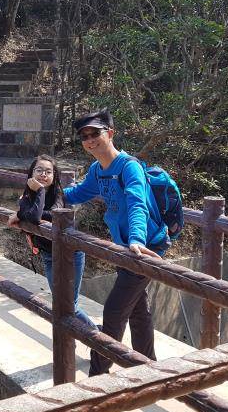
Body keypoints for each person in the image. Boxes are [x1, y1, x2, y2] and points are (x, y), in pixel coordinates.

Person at [62, 108, 169, 375]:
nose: (89, 139)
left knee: (113, 311)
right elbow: (76, 194)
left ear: (110, 133)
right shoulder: (98, 170)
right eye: (84, 136)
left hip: (144, 246)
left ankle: (98, 377)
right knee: (138, 309)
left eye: (95, 133)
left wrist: (136, 239)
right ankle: (148, 365)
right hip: (125, 246)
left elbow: (137, 204)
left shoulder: (129, 166)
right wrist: (40, 194)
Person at [7, 155, 96, 328]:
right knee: (60, 302)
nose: (43, 175)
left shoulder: (58, 196)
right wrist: (27, 211)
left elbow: (35, 215)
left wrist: (30, 203)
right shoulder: (26, 197)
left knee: (70, 304)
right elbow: (34, 215)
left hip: (71, 254)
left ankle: (97, 339)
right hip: (49, 254)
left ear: (54, 176)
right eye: (39, 170)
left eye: (48, 171)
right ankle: (92, 337)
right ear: (31, 173)